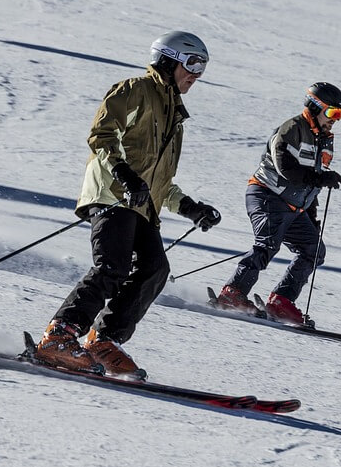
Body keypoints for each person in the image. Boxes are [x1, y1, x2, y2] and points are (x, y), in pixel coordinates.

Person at [34, 31, 222, 379]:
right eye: (192, 63)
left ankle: (102, 342)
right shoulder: (134, 89)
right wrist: (124, 175)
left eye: (203, 67)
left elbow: (158, 180)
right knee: (112, 267)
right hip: (112, 194)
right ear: (168, 59)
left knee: (155, 270)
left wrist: (191, 207)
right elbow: (102, 137)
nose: (196, 73)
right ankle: (58, 337)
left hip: (142, 205)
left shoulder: (174, 115)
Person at [214, 83, 341, 326]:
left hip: (295, 206)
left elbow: (311, 185)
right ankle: (233, 292)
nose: (335, 120)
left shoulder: (325, 140)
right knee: (268, 244)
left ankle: (281, 301)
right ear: (315, 106)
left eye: (340, 115)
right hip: (267, 195)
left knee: (313, 249)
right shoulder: (292, 129)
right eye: (332, 113)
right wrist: (320, 178)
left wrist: (312, 218)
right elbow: (285, 169)